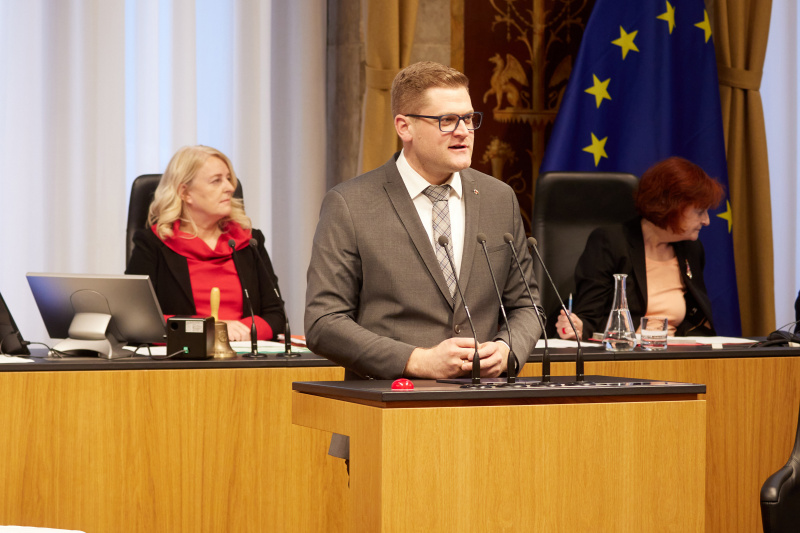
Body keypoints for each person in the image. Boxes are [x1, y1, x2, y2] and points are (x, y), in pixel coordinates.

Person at [305, 61, 542, 381]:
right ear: (404, 126)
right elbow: (324, 323)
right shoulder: (350, 205)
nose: (463, 131)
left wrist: (506, 350)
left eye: (469, 119)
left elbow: (527, 306)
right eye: (447, 120)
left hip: (482, 411)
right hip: (388, 408)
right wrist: (415, 360)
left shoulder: (499, 199)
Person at [126, 145, 285, 341]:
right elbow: (136, 318)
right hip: (181, 363)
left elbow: (276, 316)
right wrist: (209, 330)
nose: (229, 187)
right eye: (216, 181)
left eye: (228, 178)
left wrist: (246, 329)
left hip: (243, 359)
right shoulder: (154, 244)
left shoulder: (249, 242)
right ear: (185, 193)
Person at [556, 156, 723, 341]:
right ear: (671, 207)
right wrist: (577, 327)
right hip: (626, 356)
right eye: (700, 212)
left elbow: (696, 319)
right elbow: (589, 319)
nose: (707, 221)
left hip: (676, 355)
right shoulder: (610, 243)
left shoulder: (691, 249)